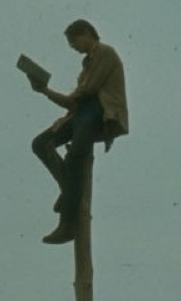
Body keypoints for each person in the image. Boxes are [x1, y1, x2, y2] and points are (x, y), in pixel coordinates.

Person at [29, 19, 128, 244]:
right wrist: (44, 90)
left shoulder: (105, 53)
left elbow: (88, 92)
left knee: (76, 158)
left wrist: (56, 93)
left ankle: (67, 224)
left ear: (86, 33)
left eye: (74, 42)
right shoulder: (86, 67)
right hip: (81, 113)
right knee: (41, 143)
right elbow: (73, 104)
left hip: (99, 113)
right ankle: (68, 190)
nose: (74, 48)